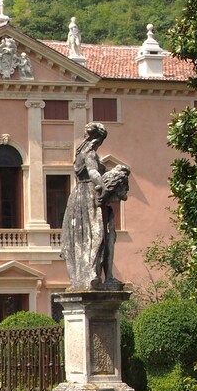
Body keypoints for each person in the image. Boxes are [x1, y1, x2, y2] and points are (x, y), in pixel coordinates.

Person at [62, 123, 129, 289]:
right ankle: (91, 275)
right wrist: (102, 185)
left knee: (104, 237)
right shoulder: (89, 153)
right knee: (95, 238)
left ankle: (102, 276)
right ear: (96, 138)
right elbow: (92, 172)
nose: (99, 143)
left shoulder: (84, 152)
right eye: (100, 140)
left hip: (88, 196)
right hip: (88, 196)